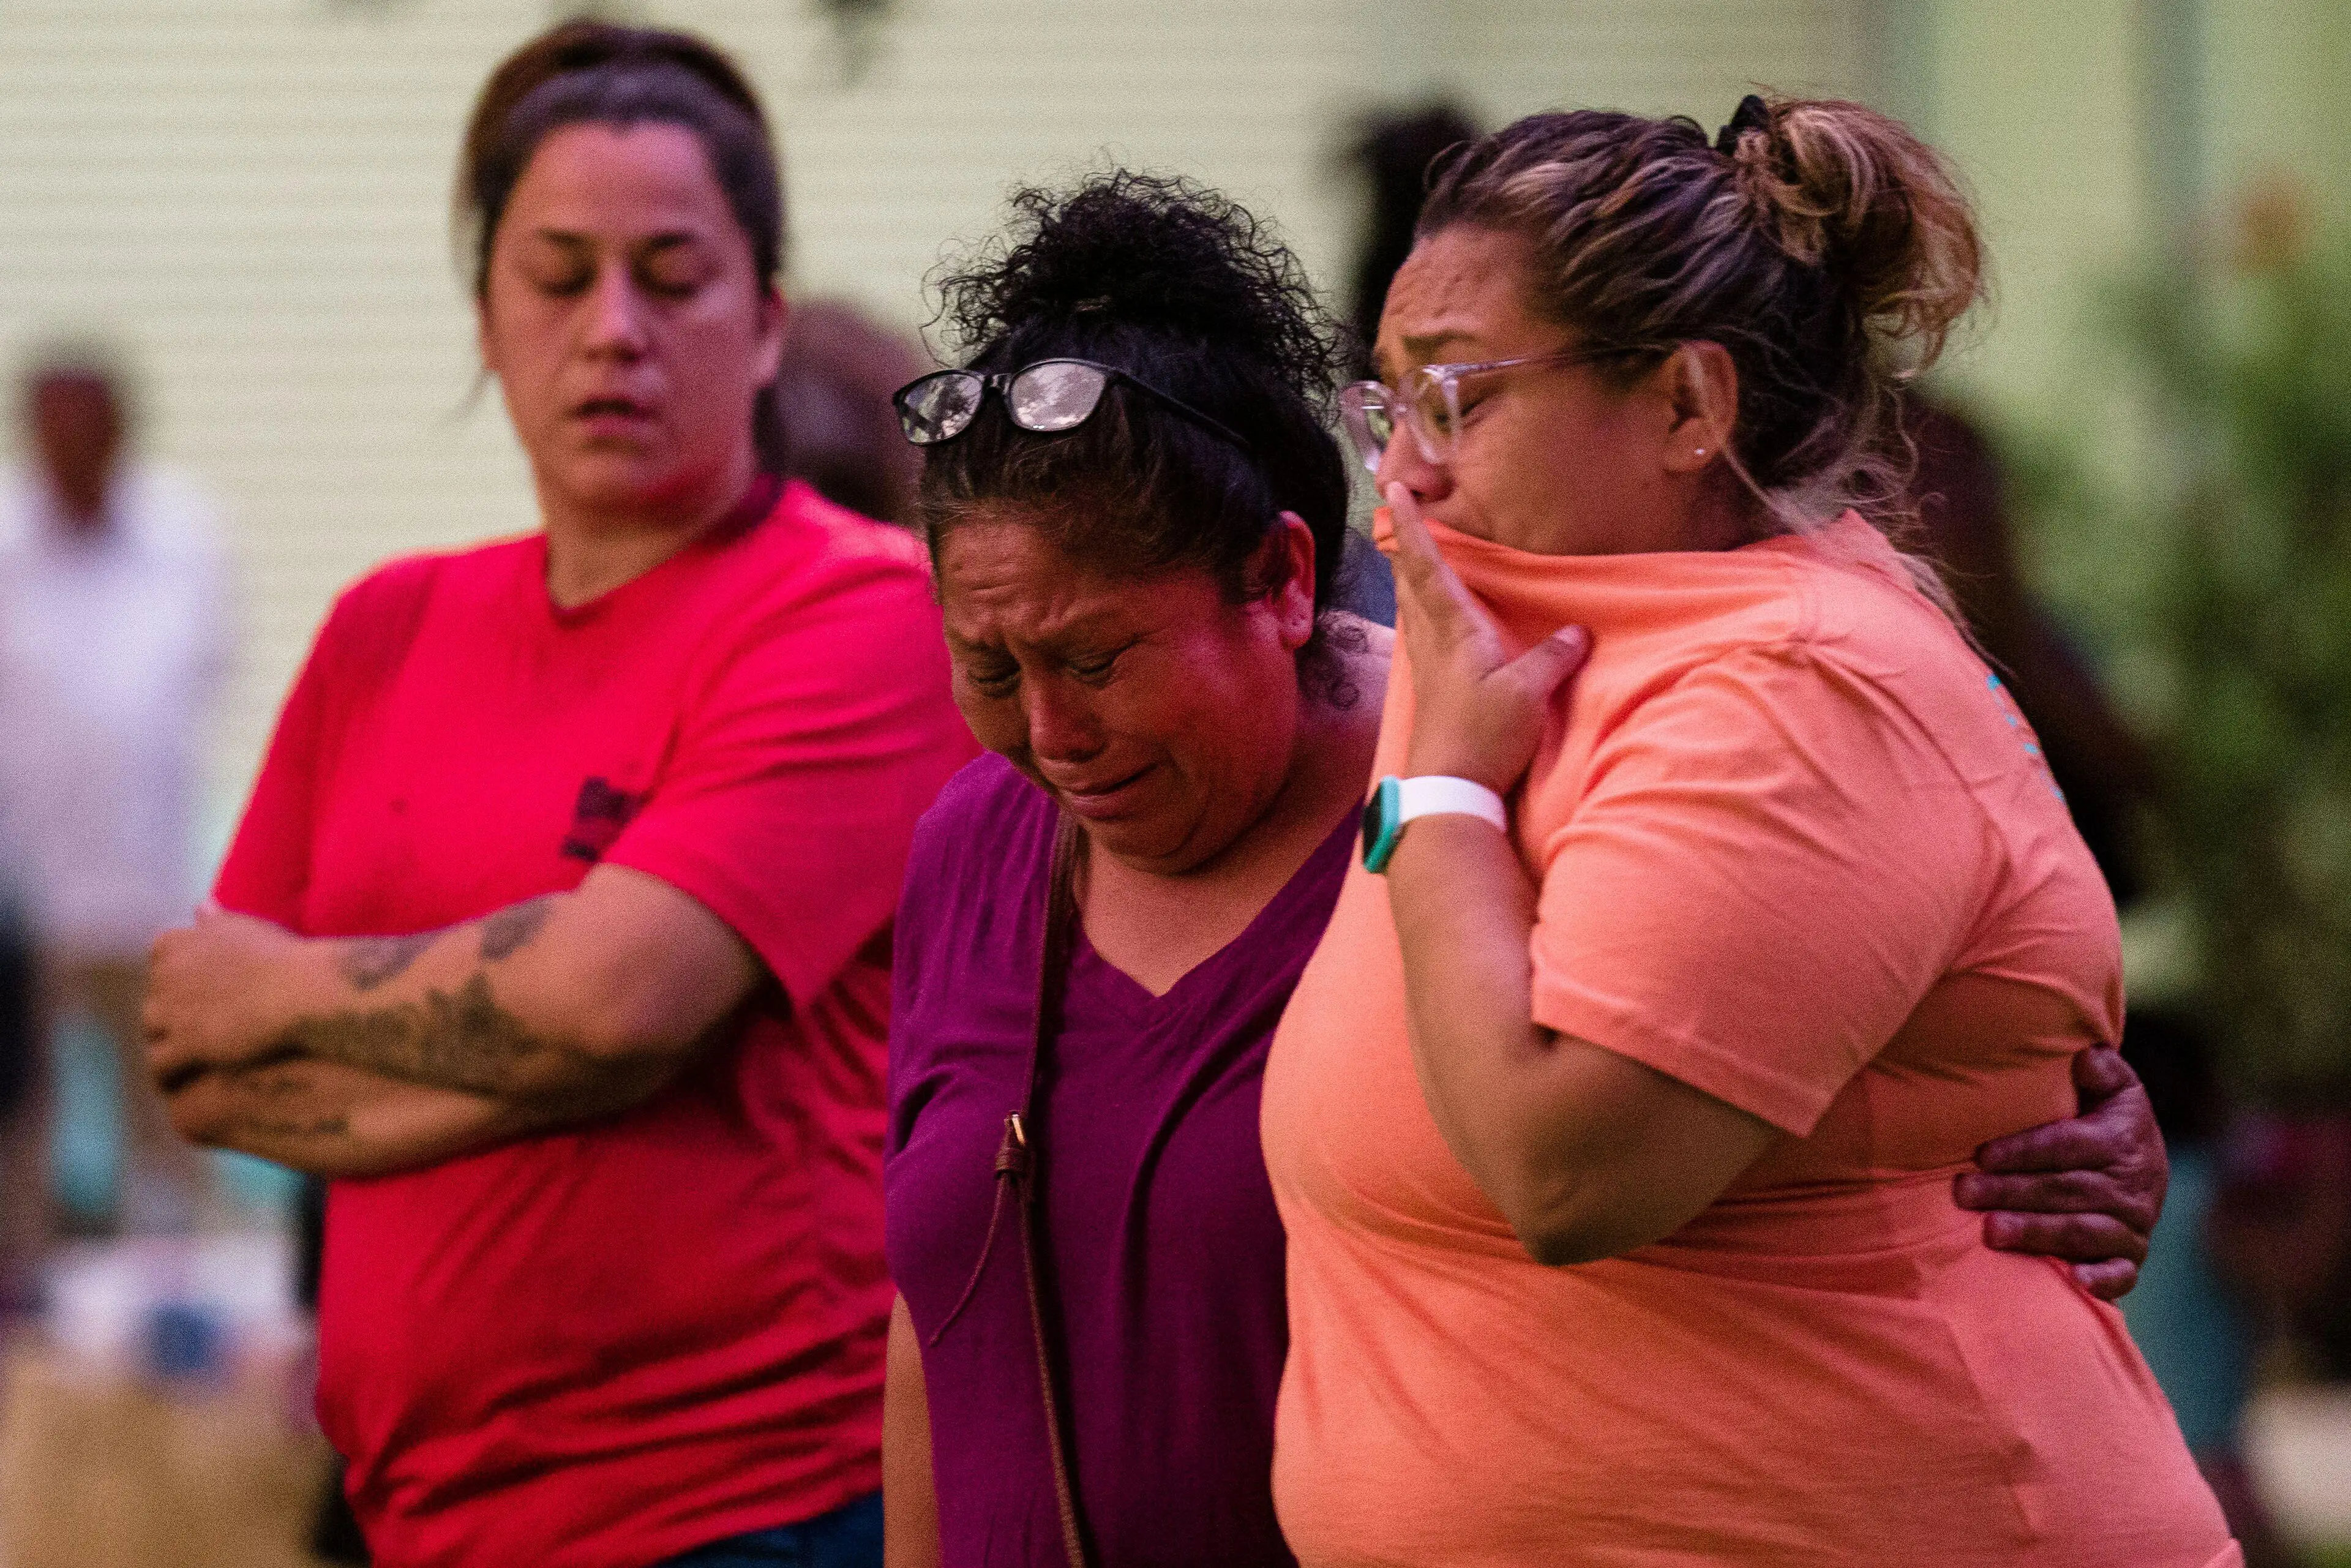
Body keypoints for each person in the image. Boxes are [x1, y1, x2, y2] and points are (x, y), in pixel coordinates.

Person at [879, 173, 2175, 1568]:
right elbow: (941, 1319)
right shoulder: (979, 843)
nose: (1051, 731)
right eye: (988, 667)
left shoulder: (1505, 781)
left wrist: (2022, 1108)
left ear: (1284, 579)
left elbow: (1749, 1027)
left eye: (1095, 658)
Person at [1262, 97, 2237, 1564]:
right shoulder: (1512, 627)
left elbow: (1568, 1171)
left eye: (1459, 395)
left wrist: (1445, 799)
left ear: (1685, 408)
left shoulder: (1800, 684)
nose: (1404, 470)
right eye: (1388, 406)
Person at [139, 22, 973, 1567]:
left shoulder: (862, 610)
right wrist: (547, 1044)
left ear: (769, 320)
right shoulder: (388, 626)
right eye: (558, 272)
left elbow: (615, 1000)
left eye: (672, 275)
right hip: (424, 1516)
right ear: (484, 315)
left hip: (752, 1507)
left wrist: (303, 994)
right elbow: (207, 1069)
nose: (612, 328)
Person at [0, 353, 230, 1239]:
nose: (69, 449)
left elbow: (207, 679)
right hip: (28, 903)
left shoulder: (187, 538)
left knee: (171, 1116)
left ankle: (171, 1286)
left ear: (122, 432)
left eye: (87, 428)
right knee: (23, 1119)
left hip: (150, 895)